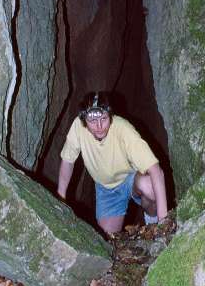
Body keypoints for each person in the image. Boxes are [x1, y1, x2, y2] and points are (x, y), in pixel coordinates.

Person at [57, 92, 168, 236]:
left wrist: (163, 220)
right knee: (108, 239)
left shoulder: (123, 129)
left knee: (149, 186)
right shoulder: (78, 127)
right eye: (92, 121)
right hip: (106, 190)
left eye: (104, 119)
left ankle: (151, 224)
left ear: (111, 116)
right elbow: (68, 161)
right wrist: (60, 198)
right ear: (84, 121)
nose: (99, 126)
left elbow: (156, 171)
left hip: (130, 178)